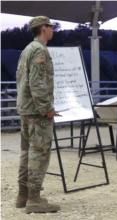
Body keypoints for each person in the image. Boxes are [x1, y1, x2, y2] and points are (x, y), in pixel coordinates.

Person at [16, 16, 60, 213]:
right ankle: (34, 199)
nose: (53, 30)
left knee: (27, 151)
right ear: (44, 28)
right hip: (37, 111)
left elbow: (21, 79)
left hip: (26, 108)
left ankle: (23, 195)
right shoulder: (40, 50)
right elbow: (37, 83)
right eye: (51, 27)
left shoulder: (27, 49)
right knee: (39, 152)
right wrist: (46, 108)